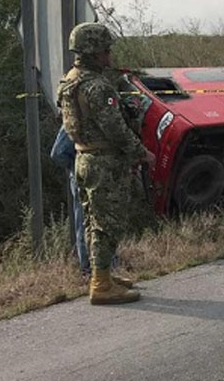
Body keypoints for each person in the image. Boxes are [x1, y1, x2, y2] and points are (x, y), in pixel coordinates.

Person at [58, 22, 154, 304]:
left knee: (92, 221)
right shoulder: (98, 87)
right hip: (104, 163)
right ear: (94, 52)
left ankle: (101, 275)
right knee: (107, 223)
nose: (109, 55)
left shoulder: (70, 80)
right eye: (106, 50)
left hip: (84, 158)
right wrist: (142, 152)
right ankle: (101, 284)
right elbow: (116, 129)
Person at [49, 127, 90, 275]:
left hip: (97, 174)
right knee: (84, 220)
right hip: (82, 176)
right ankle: (87, 267)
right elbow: (57, 153)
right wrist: (76, 165)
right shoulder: (73, 120)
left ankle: (106, 268)